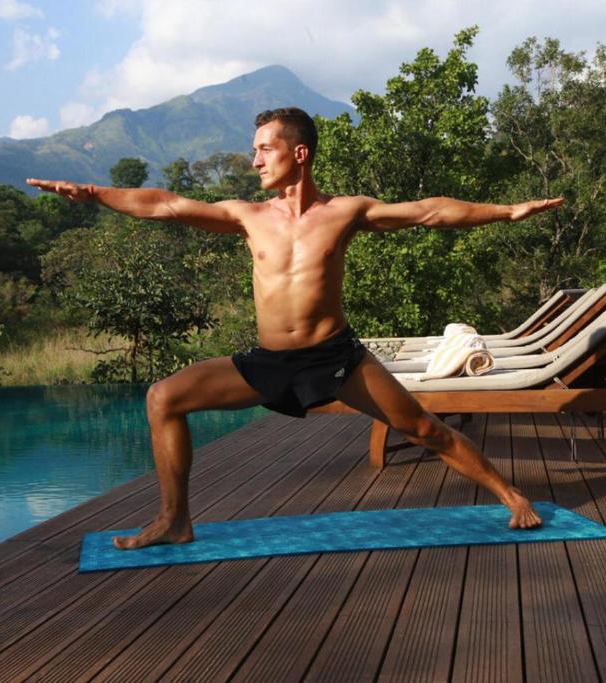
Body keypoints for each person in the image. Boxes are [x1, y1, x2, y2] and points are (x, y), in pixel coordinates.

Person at [28, 107, 562, 550]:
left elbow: (429, 211)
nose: (255, 158)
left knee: (421, 429)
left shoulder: (346, 212)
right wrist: (94, 193)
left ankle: (511, 496)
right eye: (255, 148)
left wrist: (506, 211)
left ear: (298, 153)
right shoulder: (247, 214)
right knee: (163, 397)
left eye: (265, 148)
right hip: (269, 361)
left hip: (334, 358)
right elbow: (165, 204)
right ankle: (174, 519)